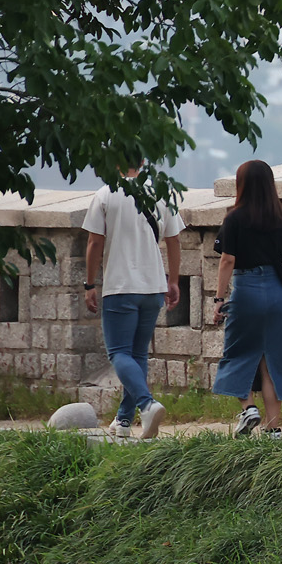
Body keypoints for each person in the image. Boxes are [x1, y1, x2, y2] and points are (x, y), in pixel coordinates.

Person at [83, 165, 184, 439]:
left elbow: (94, 243)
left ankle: (147, 404)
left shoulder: (105, 195)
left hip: (120, 286)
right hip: (153, 287)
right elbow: (174, 241)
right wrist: (173, 280)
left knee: (118, 353)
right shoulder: (162, 194)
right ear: (141, 163)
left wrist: (90, 283)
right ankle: (124, 420)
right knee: (137, 354)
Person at [210, 160, 282, 439]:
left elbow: (228, 259)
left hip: (246, 291)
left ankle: (249, 409)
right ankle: (273, 429)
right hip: (277, 295)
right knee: (272, 360)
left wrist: (218, 299)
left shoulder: (234, 218)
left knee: (239, 353)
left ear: (241, 185)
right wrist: (278, 273)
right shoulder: (281, 217)